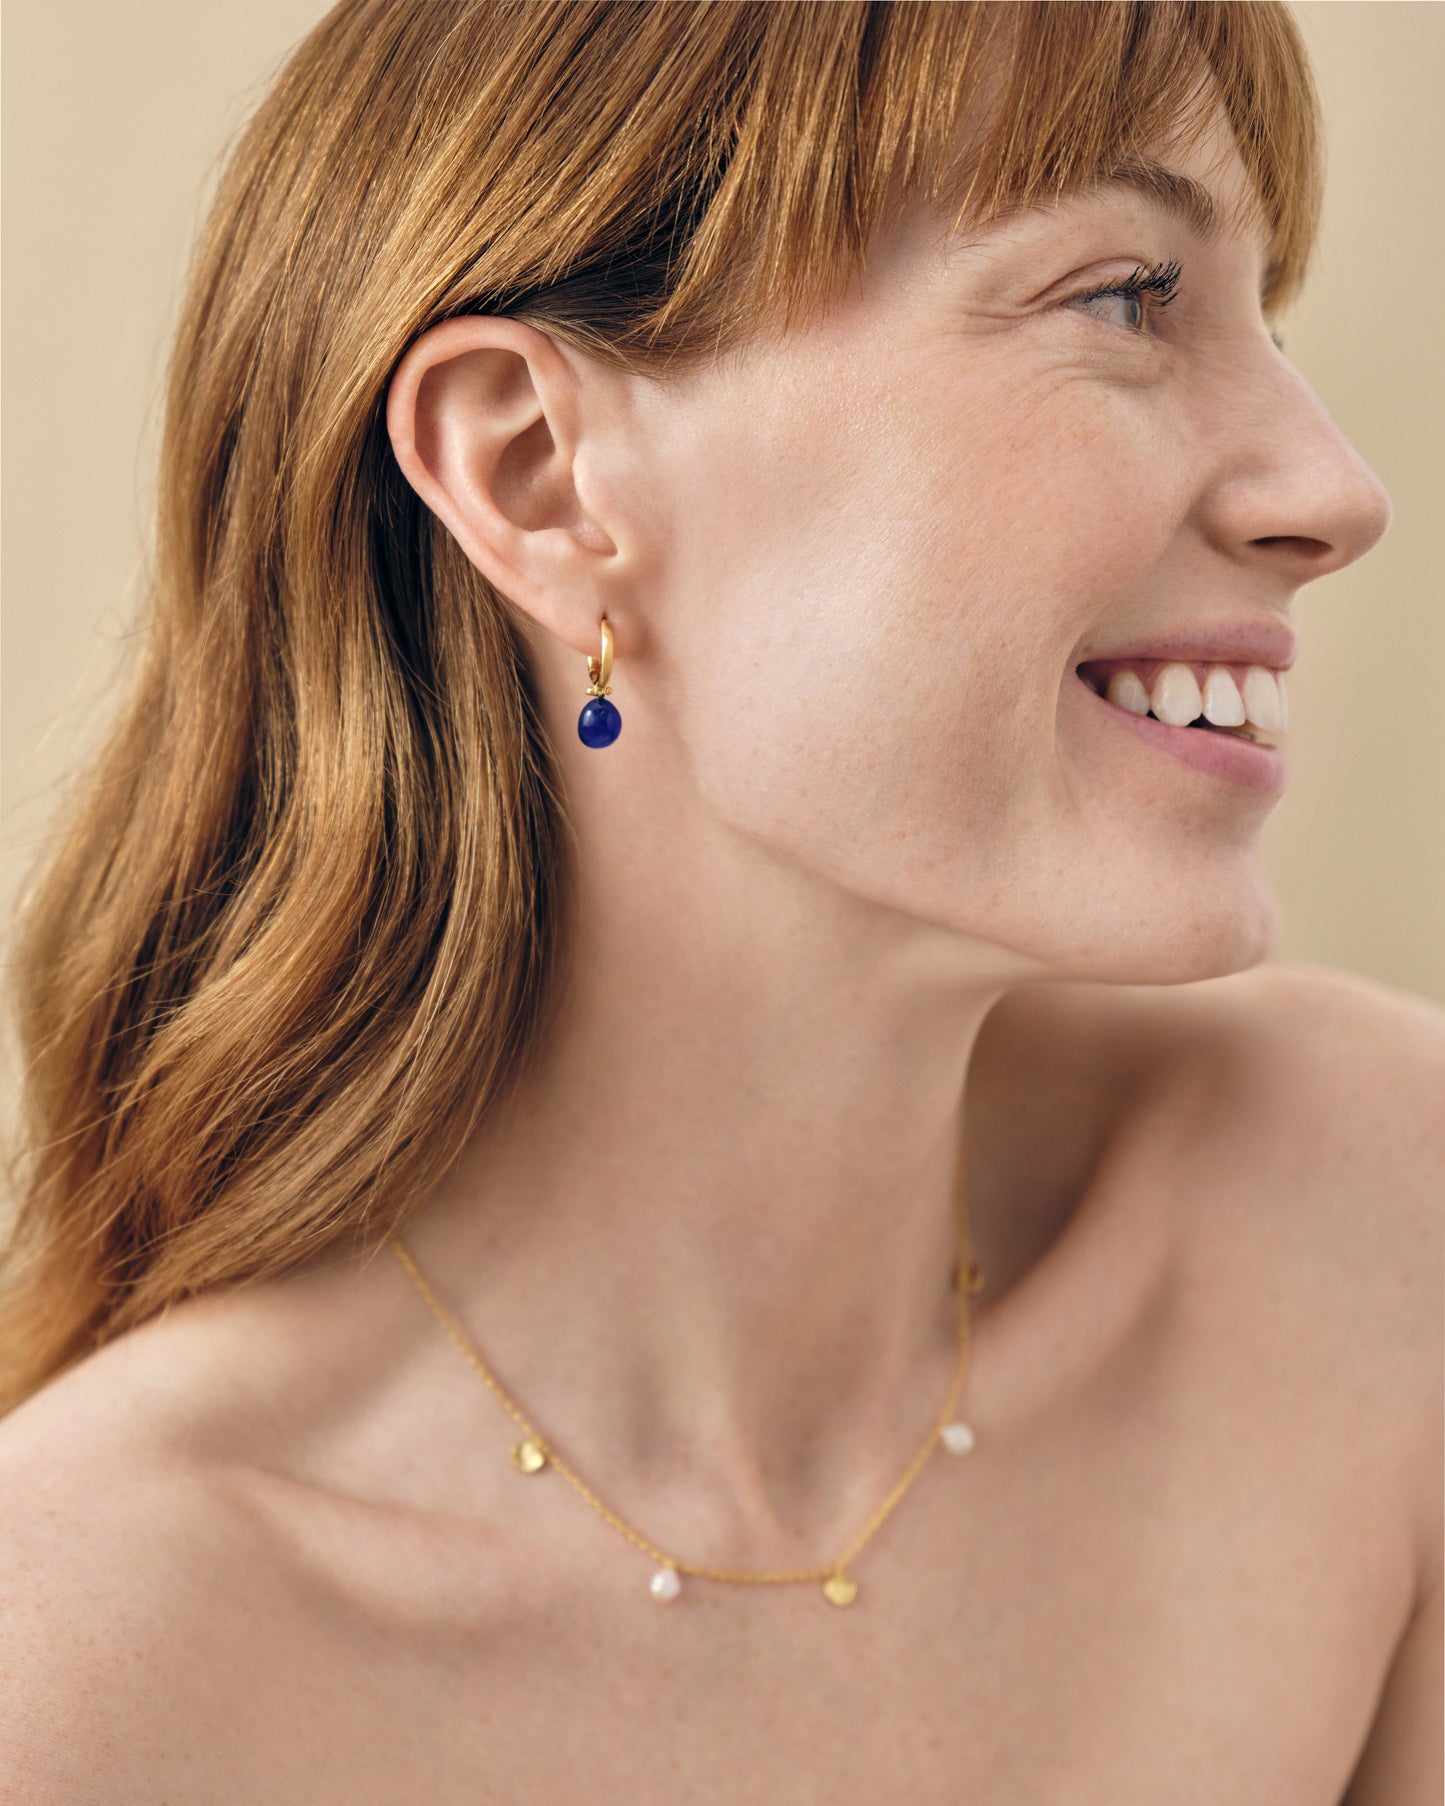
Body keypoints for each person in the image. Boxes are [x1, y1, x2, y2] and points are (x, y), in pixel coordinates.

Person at [1, 0, 1439, 1797]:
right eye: (1124, 296)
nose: (1333, 489)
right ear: (538, 468)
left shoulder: (1371, 1232)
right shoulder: (91, 1663)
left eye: (1263, 317)